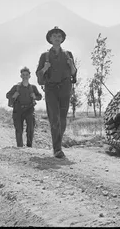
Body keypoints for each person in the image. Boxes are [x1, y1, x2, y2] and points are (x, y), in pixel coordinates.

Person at [36, 26, 77, 158]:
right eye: (54, 36)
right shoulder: (45, 56)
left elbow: (74, 73)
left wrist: (71, 65)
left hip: (65, 88)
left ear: (63, 39)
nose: (57, 38)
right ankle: (57, 149)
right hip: (51, 89)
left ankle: (57, 144)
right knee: (54, 119)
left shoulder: (68, 54)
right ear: (50, 39)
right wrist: (45, 68)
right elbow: (39, 75)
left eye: (59, 36)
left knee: (63, 120)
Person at [6, 67, 42, 148]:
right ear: (21, 76)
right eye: (23, 75)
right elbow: (7, 95)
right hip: (18, 110)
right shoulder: (16, 87)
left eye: (27, 75)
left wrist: (35, 96)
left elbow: (40, 96)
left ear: (29, 76)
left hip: (29, 109)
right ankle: (20, 147)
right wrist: (13, 95)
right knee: (19, 129)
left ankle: (29, 147)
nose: (25, 76)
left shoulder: (33, 87)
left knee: (30, 128)